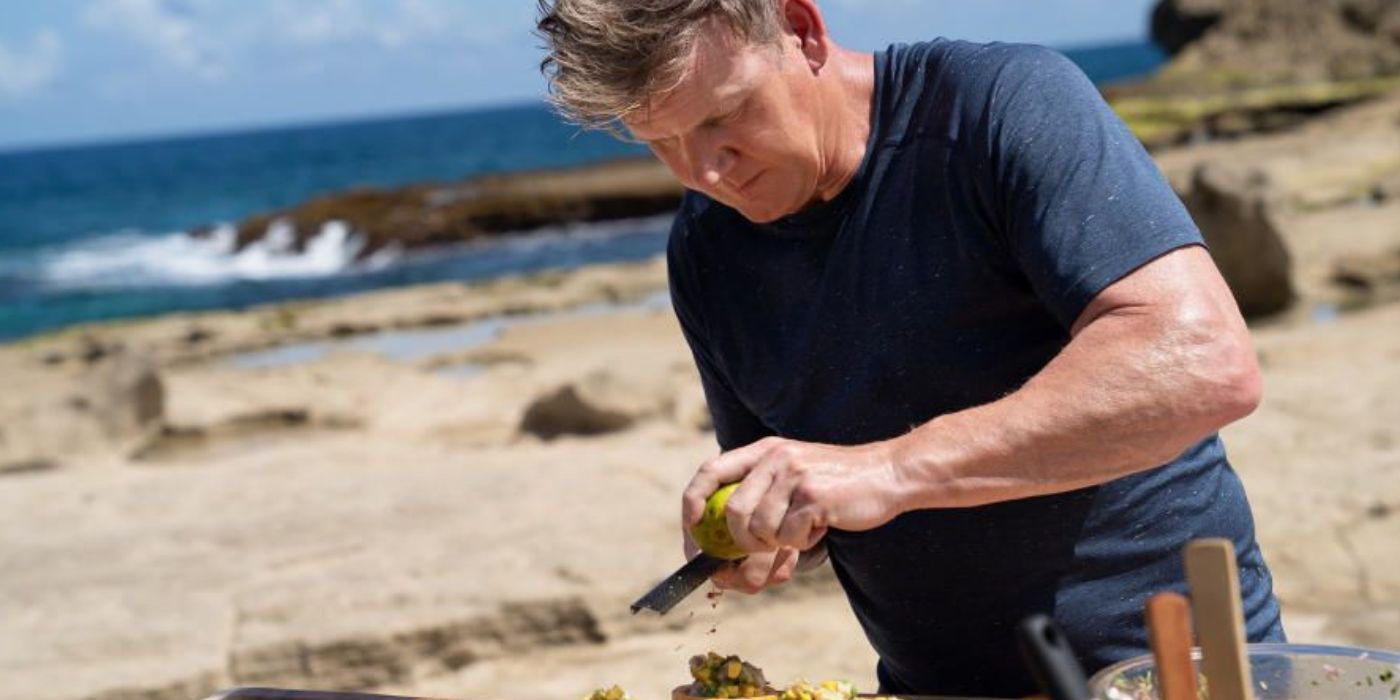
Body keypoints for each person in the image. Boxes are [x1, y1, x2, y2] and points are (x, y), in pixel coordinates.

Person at [537, 0, 1285, 695]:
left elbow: (1202, 364)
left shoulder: (998, 104)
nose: (704, 172)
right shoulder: (704, 248)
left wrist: (892, 468)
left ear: (800, 29)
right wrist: (764, 526)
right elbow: (819, 493)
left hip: (1176, 672)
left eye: (725, 116)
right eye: (659, 142)